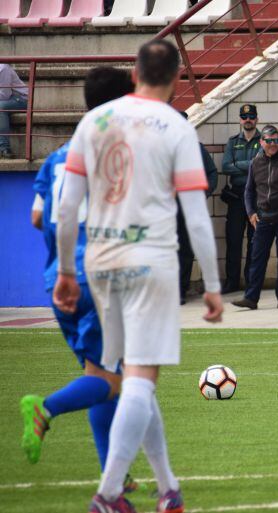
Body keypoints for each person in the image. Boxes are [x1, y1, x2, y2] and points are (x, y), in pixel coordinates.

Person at [54, 40, 224, 512]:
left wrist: (67, 272)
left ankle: (168, 487)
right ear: (176, 78)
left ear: (134, 72)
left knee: (133, 374)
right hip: (151, 261)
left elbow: (68, 208)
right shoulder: (175, 125)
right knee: (141, 379)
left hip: (101, 263)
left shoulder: (94, 121)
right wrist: (211, 285)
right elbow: (195, 215)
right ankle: (108, 494)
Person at [22, 67, 134, 481]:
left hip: (59, 279)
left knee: (103, 375)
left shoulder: (57, 155)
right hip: (100, 277)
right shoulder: (115, 152)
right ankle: (45, 407)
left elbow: (37, 216)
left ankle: (114, 478)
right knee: (118, 380)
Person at [232, 125, 278, 310]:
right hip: (263, 217)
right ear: (261, 142)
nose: (273, 144)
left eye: (276, 140)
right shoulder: (254, 163)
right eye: (269, 141)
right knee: (257, 258)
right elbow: (248, 191)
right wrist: (251, 213)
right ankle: (251, 298)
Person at [177, 110, 218, 304]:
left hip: (187, 207)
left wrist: (201, 194)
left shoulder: (196, 148)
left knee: (185, 250)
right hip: (167, 208)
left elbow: (212, 174)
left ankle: (180, 290)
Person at [221, 104, 261, 293]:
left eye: (251, 117)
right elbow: (226, 166)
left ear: (256, 119)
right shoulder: (233, 141)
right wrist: (249, 165)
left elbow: (260, 165)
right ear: (240, 120)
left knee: (255, 242)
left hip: (255, 197)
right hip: (237, 197)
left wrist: (239, 165)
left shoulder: (263, 140)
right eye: (244, 117)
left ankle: (250, 282)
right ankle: (232, 282)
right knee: (233, 241)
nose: (248, 120)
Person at [0, 64, 28, 158]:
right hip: (8, 99)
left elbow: (4, 95)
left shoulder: (3, 68)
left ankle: (4, 147)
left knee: (0, 107)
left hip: (21, 98)